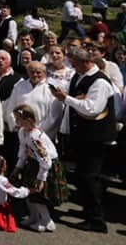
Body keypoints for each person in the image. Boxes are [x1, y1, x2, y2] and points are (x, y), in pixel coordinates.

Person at [49, 46, 115, 233]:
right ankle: (88, 211)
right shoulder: (80, 77)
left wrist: (67, 99)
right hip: (83, 136)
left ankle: (97, 220)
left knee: (89, 177)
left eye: (76, 64)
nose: (73, 67)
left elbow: (92, 109)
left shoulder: (100, 82)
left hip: (95, 138)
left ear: (87, 62)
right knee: (81, 176)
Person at [11, 104, 68, 233]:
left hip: (44, 166)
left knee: (38, 195)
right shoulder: (22, 132)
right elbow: (23, 151)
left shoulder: (35, 137)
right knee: (29, 193)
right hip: (33, 163)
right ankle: (34, 217)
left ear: (27, 120)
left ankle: (47, 221)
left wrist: (41, 178)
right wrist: (18, 167)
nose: (16, 121)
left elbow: (45, 159)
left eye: (18, 119)